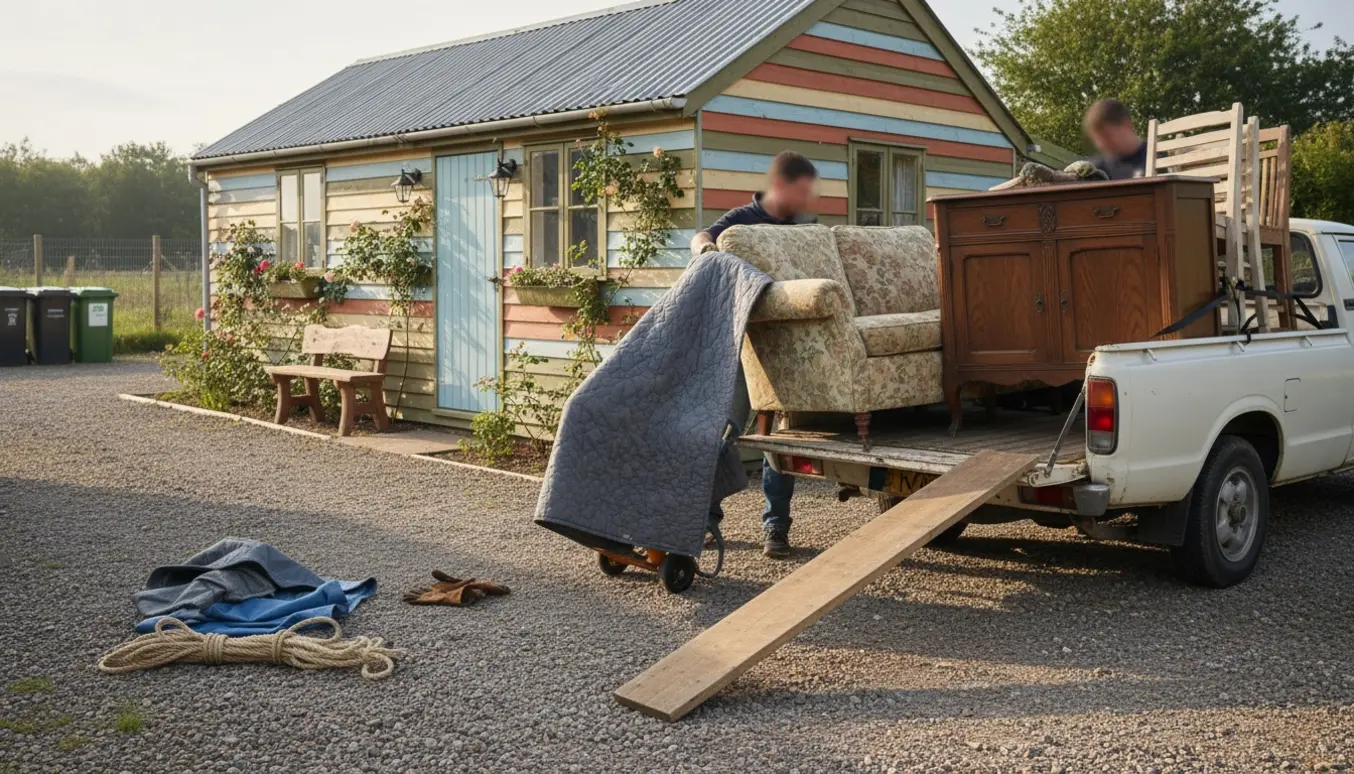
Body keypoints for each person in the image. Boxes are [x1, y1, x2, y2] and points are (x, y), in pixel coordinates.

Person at [692, 151, 820, 560]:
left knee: (779, 439)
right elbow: (701, 237)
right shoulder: (742, 220)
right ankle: (704, 519)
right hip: (743, 345)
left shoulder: (804, 229)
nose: (807, 199)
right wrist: (707, 252)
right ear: (781, 185)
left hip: (786, 348)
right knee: (724, 431)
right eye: (803, 190)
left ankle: (776, 526)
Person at [1084, 98, 1148, 180]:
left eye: (1106, 136)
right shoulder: (1097, 170)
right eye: (1096, 139)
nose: (1101, 144)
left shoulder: (1157, 154)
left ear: (1127, 125)